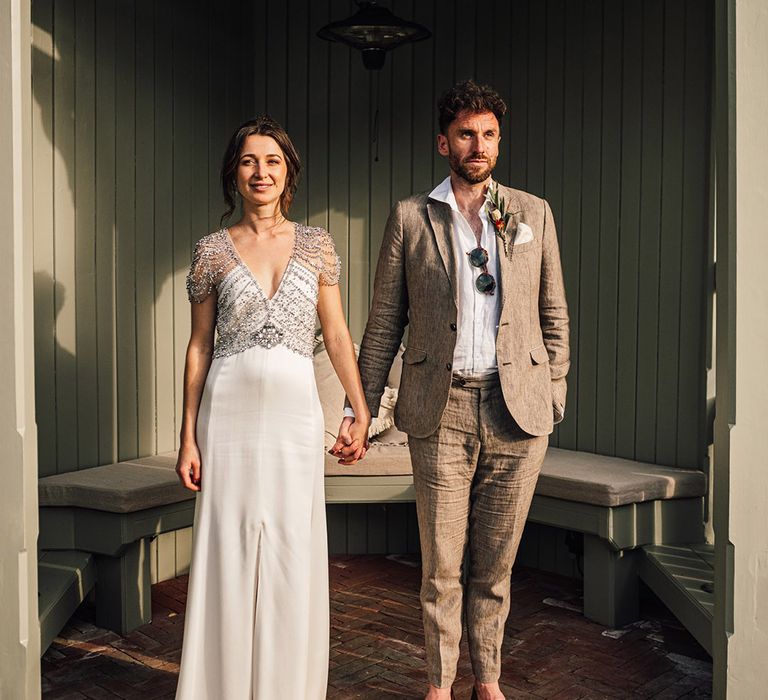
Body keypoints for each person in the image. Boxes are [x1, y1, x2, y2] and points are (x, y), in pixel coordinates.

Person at [333, 80, 570, 700]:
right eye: (466, 133)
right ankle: (440, 684)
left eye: (489, 133)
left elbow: (554, 315)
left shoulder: (532, 213)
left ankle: (487, 680)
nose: (479, 144)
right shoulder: (412, 217)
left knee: (495, 564)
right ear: (444, 142)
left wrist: (554, 393)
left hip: (518, 411)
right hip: (442, 411)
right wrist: (361, 408)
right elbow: (385, 322)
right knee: (441, 566)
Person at [174, 115, 370, 699]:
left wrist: (359, 410)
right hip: (227, 413)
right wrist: (187, 436)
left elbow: (336, 336)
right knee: (227, 546)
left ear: (289, 174)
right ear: (234, 175)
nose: (261, 172)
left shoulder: (317, 245)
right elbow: (199, 346)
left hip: (293, 415)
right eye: (249, 161)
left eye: (273, 161)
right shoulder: (211, 250)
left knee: (291, 546)